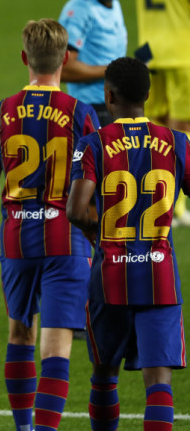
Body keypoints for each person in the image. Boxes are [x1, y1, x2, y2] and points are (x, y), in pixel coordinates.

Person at [0, 19, 100, 431]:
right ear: (65, 59)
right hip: (66, 238)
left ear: (24, 58)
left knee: (19, 335)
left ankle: (23, 427)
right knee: (56, 347)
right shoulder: (81, 113)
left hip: (18, 238)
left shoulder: (0, 111)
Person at [67, 57, 187, 431]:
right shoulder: (177, 142)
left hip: (110, 277)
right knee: (159, 381)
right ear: (148, 95)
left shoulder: (94, 144)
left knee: (105, 374)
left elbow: (75, 210)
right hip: (159, 276)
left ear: (109, 95)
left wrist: (95, 234)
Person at [131, 0, 190, 224]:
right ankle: (176, 207)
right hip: (182, 52)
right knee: (182, 129)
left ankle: (149, 201)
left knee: (153, 131)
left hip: (148, 52)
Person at [58, 0, 130, 127]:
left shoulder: (114, 5)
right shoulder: (80, 10)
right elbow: (62, 68)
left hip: (114, 108)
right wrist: (115, 71)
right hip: (92, 112)